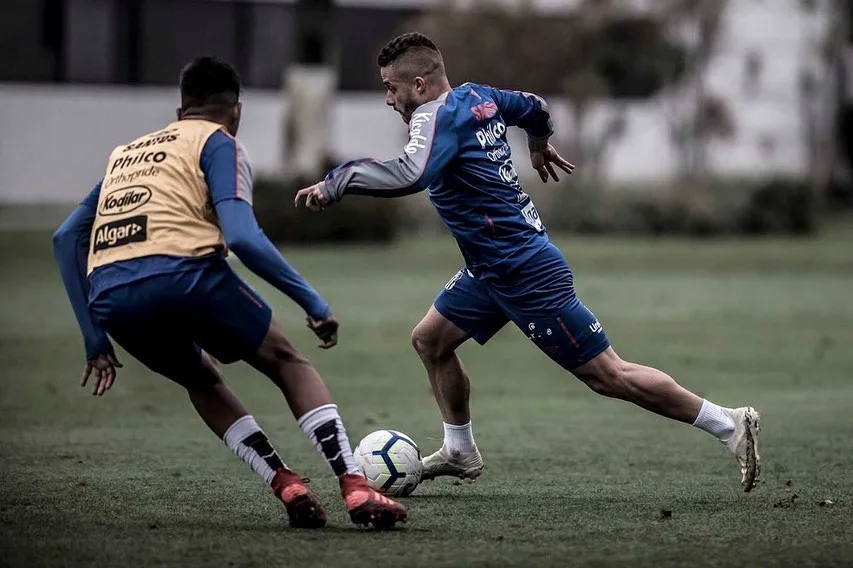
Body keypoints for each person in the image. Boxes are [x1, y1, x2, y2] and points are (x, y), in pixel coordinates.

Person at [295, 33, 762, 492]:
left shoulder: (434, 117)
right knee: (431, 341)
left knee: (608, 376)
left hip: (523, 270)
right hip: (491, 268)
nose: (388, 99)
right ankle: (459, 451)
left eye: (390, 88)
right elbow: (535, 106)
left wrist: (335, 183)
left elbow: (410, 173)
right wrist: (538, 142)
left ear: (419, 85)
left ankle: (728, 423)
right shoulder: (482, 96)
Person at [52, 56, 408, 529]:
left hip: (112, 296)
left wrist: (95, 340)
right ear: (235, 112)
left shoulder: (126, 154)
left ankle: (286, 482)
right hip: (185, 273)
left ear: (181, 111)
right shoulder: (218, 143)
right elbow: (241, 236)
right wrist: (312, 302)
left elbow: (66, 237)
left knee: (201, 378)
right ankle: (354, 485)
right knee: (286, 361)